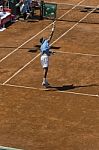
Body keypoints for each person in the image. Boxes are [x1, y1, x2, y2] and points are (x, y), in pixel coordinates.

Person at [40, 22, 55, 88]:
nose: (45, 39)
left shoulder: (41, 46)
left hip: (42, 57)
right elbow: (50, 36)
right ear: (43, 40)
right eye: (44, 39)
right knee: (46, 69)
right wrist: (53, 29)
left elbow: (45, 50)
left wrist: (51, 52)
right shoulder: (46, 42)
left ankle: (45, 81)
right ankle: (44, 81)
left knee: (45, 69)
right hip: (45, 57)